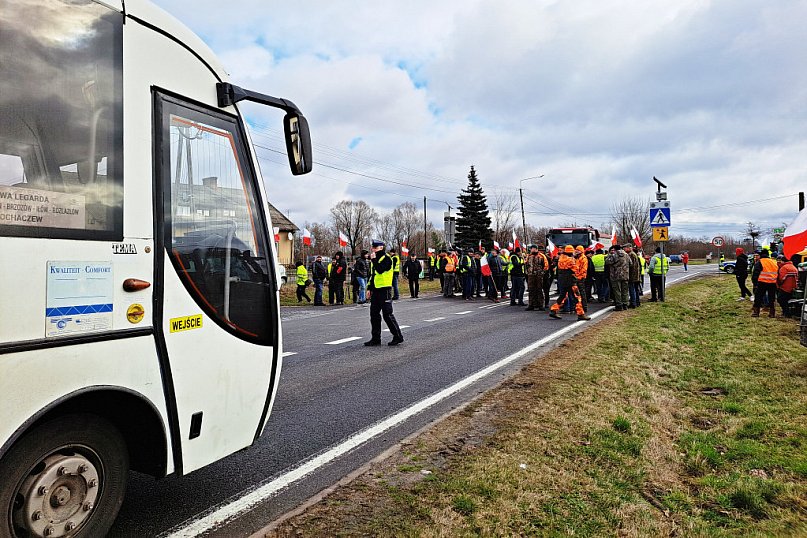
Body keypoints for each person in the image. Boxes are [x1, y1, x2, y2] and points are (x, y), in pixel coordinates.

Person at [365, 240, 403, 346]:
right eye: (373, 247)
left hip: (385, 289)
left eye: (375, 247)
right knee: (374, 314)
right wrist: (369, 288)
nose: (373, 249)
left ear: (381, 248)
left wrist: (373, 260)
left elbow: (380, 270)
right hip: (376, 290)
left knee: (387, 314)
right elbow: (373, 275)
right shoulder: (375, 260)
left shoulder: (387, 258)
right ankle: (376, 338)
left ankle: (398, 336)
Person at [549, 245, 589, 321]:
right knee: (577, 297)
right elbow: (576, 269)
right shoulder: (571, 260)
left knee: (562, 296)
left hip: (562, 280)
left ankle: (553, 310)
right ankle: (581, 314)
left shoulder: (561, 258)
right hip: (570, 280)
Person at [752, 249, 778, 318]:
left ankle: (756, 312)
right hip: (772, 282)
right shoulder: (773, 262)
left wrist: (755, 283)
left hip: (762, 282)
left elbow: (756, 273)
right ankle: (772, 313)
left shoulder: (760, 262)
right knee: (771, 298)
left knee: (758, 297)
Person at [607, 244, 630, 311]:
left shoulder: (614, 255)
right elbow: (630, 263)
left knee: (617, 291)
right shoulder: (626, 255)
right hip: (625, 275)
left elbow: (608, 262)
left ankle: (619, 305)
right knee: (625, 290)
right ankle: (625, 304)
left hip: (615, 275)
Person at [524, 244, 547, 311]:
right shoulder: (529, 256)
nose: (533, 250)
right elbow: (526, 265)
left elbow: (546, 266)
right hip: (531, 275)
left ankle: (540, 305)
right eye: (532, 248)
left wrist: (542, 273)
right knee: (531, 290)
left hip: (539, 275)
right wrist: (527, 272)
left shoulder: (541, 256)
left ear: (537, 249)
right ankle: (531, 304)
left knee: (539, 290)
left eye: (534, 248)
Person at [573, 246, 588, 312]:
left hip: (580, 278)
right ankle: (579, 306)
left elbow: (583, 269)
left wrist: (578, 276)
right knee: (578, 293)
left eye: (578, 250)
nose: (576, 251)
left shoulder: (583, 258)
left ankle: (584, 307)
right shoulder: (578, 258)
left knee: (581, 293)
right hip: (577, 277)